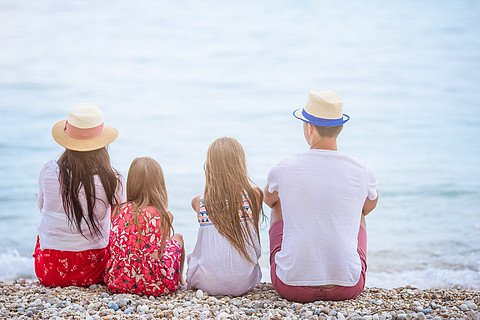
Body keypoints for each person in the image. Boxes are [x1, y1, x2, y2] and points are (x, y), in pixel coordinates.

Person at [264, 90, 379, 302]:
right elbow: (370, 205)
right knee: (359, 210)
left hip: (290, 286)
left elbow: (268, 200)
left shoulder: (284, 167)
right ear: (340, 128)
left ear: (309, 128)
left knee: (278, 205)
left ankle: (297, 266)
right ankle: (338, 268)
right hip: (347, 287)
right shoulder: (362, 170)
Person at [33, 102, 125, 287]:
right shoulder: (112, 179)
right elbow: (121, 218)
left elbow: (42, 208)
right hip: (94, 269)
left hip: (49, 271)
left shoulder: (50, 171)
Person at [186, 137, 264, 296]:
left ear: (210, 167)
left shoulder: (199, 202)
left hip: (208, 284)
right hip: (245, 282)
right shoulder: (255, 196)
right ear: (240, 164)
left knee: (194, 257)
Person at [104, 157, 185, 296]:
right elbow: (159, 252)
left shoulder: (117, 211)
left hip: (117, 282)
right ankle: (181, 281)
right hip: (154, 285)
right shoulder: (164, 215)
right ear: (159, 185)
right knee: (178, 238)